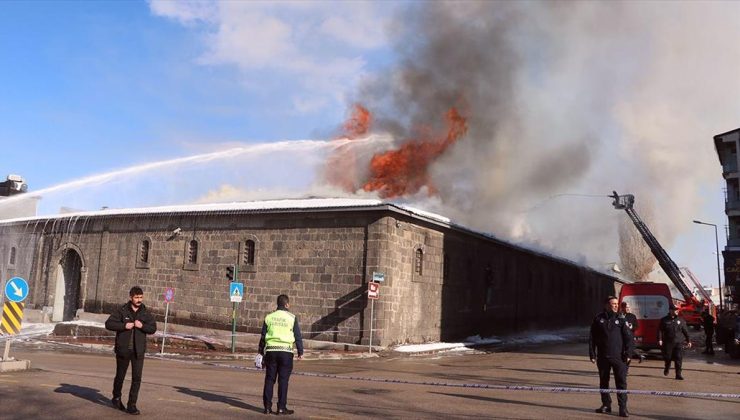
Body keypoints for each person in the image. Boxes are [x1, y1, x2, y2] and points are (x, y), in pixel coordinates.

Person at [105, 286, 157, 415]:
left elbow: (153, 328)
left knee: (137, 378)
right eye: (136, 297)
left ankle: (132, 404)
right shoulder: (122, 311)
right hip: (123, 350)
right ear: (131, 297)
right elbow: (109, 324)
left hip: (138, 352)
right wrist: (124, 326)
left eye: (141, 297)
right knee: (120, 376)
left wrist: (142, 326)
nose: (139, 300)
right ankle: (116, 398)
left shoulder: (145, 313)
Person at [259, 294, 304, 415]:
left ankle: (267, 407)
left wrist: (260, 353)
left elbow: (263, 337)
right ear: (286, 304)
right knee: (283, 381)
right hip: (286, 352)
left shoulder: (269, 317)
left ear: (277, 304)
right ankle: (281, 407)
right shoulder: (292, 317)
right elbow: (297, 336)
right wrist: (300, 351)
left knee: (269, 379)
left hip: (271, 351)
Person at [589, 296, 633, 418]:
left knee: (621, 383)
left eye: (616, 303)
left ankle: (623, 408)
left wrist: (629, 354)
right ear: (606, 305)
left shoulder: (621, 319)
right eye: (613, 303)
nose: (615, 305)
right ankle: (606, 405)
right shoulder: (598, 319)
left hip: (619, 357)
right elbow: (592, 338)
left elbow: (628, 339)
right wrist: (592, 354)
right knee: (604, 382)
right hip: (603, 357)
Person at [657, 303, 691, 380]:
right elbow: (660, 331)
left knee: (678, 358)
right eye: (675, 310)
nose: (676, 311)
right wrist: (660, 339)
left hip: (679, 342)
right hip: (668, 343)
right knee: (668, 357)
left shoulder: (680, 320)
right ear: (670, 310)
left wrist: (689, 340)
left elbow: (685, 331)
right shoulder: (664, 320)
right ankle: (667, 367)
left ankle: (678, 374)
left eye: (677, 310)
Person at [618, 301, 644, 366]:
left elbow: (636, 326)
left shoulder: (632, 316)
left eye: (629, 307)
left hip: (630, 337)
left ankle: (626, 368)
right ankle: (640, 356)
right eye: (626, 307)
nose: (628, 309)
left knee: (628, 353)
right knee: (623, 353)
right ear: (622, 308)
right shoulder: (619, 316)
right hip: (621, 338)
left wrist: (632, 327)